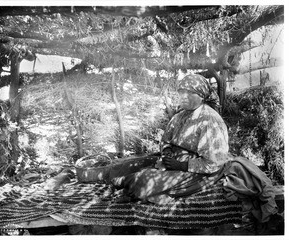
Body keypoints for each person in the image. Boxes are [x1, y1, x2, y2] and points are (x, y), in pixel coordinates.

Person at [112, 73, 278, 223]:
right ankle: (125, 181)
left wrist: (182, 166)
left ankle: (134, 186)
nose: (183, 96)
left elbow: (215, 162)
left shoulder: (209, 121)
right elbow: (166, 140)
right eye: (181, 92)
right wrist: (167, 152)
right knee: (131, 164)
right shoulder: (179, 116)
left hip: (201, 171)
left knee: (145, 181)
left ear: (201, 96)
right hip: (175, 162)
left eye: (189, 93)